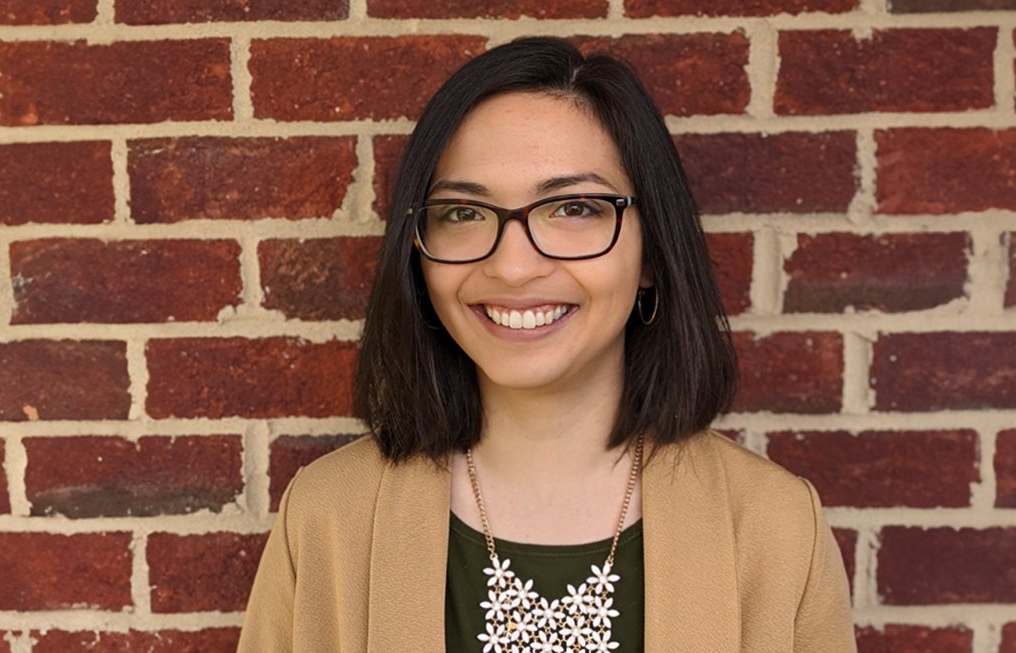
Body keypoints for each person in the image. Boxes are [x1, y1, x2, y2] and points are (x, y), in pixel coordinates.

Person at [238, 37, 856, 653]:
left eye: (574, 207)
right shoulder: (327, 520)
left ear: (652, 252)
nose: (513, 267)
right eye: (462, 213)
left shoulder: (775, 529)